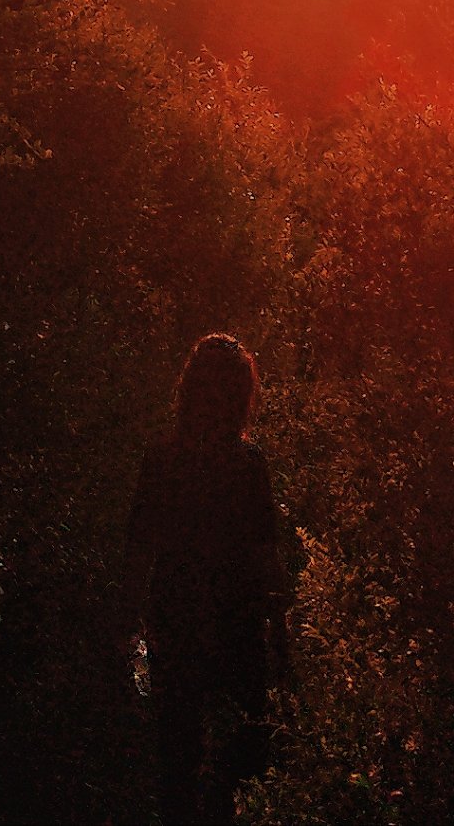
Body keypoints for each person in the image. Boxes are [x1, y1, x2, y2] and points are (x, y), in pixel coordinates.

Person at [123, 334, 290, 826]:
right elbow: (266, 560)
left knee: (177, 757)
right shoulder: (247, 463)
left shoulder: (162, 458)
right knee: (244, 761)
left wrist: (124, 633)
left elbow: (138, 552)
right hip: (236, 627)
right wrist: (282, 645)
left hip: (175, 622)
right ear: (243, 395)